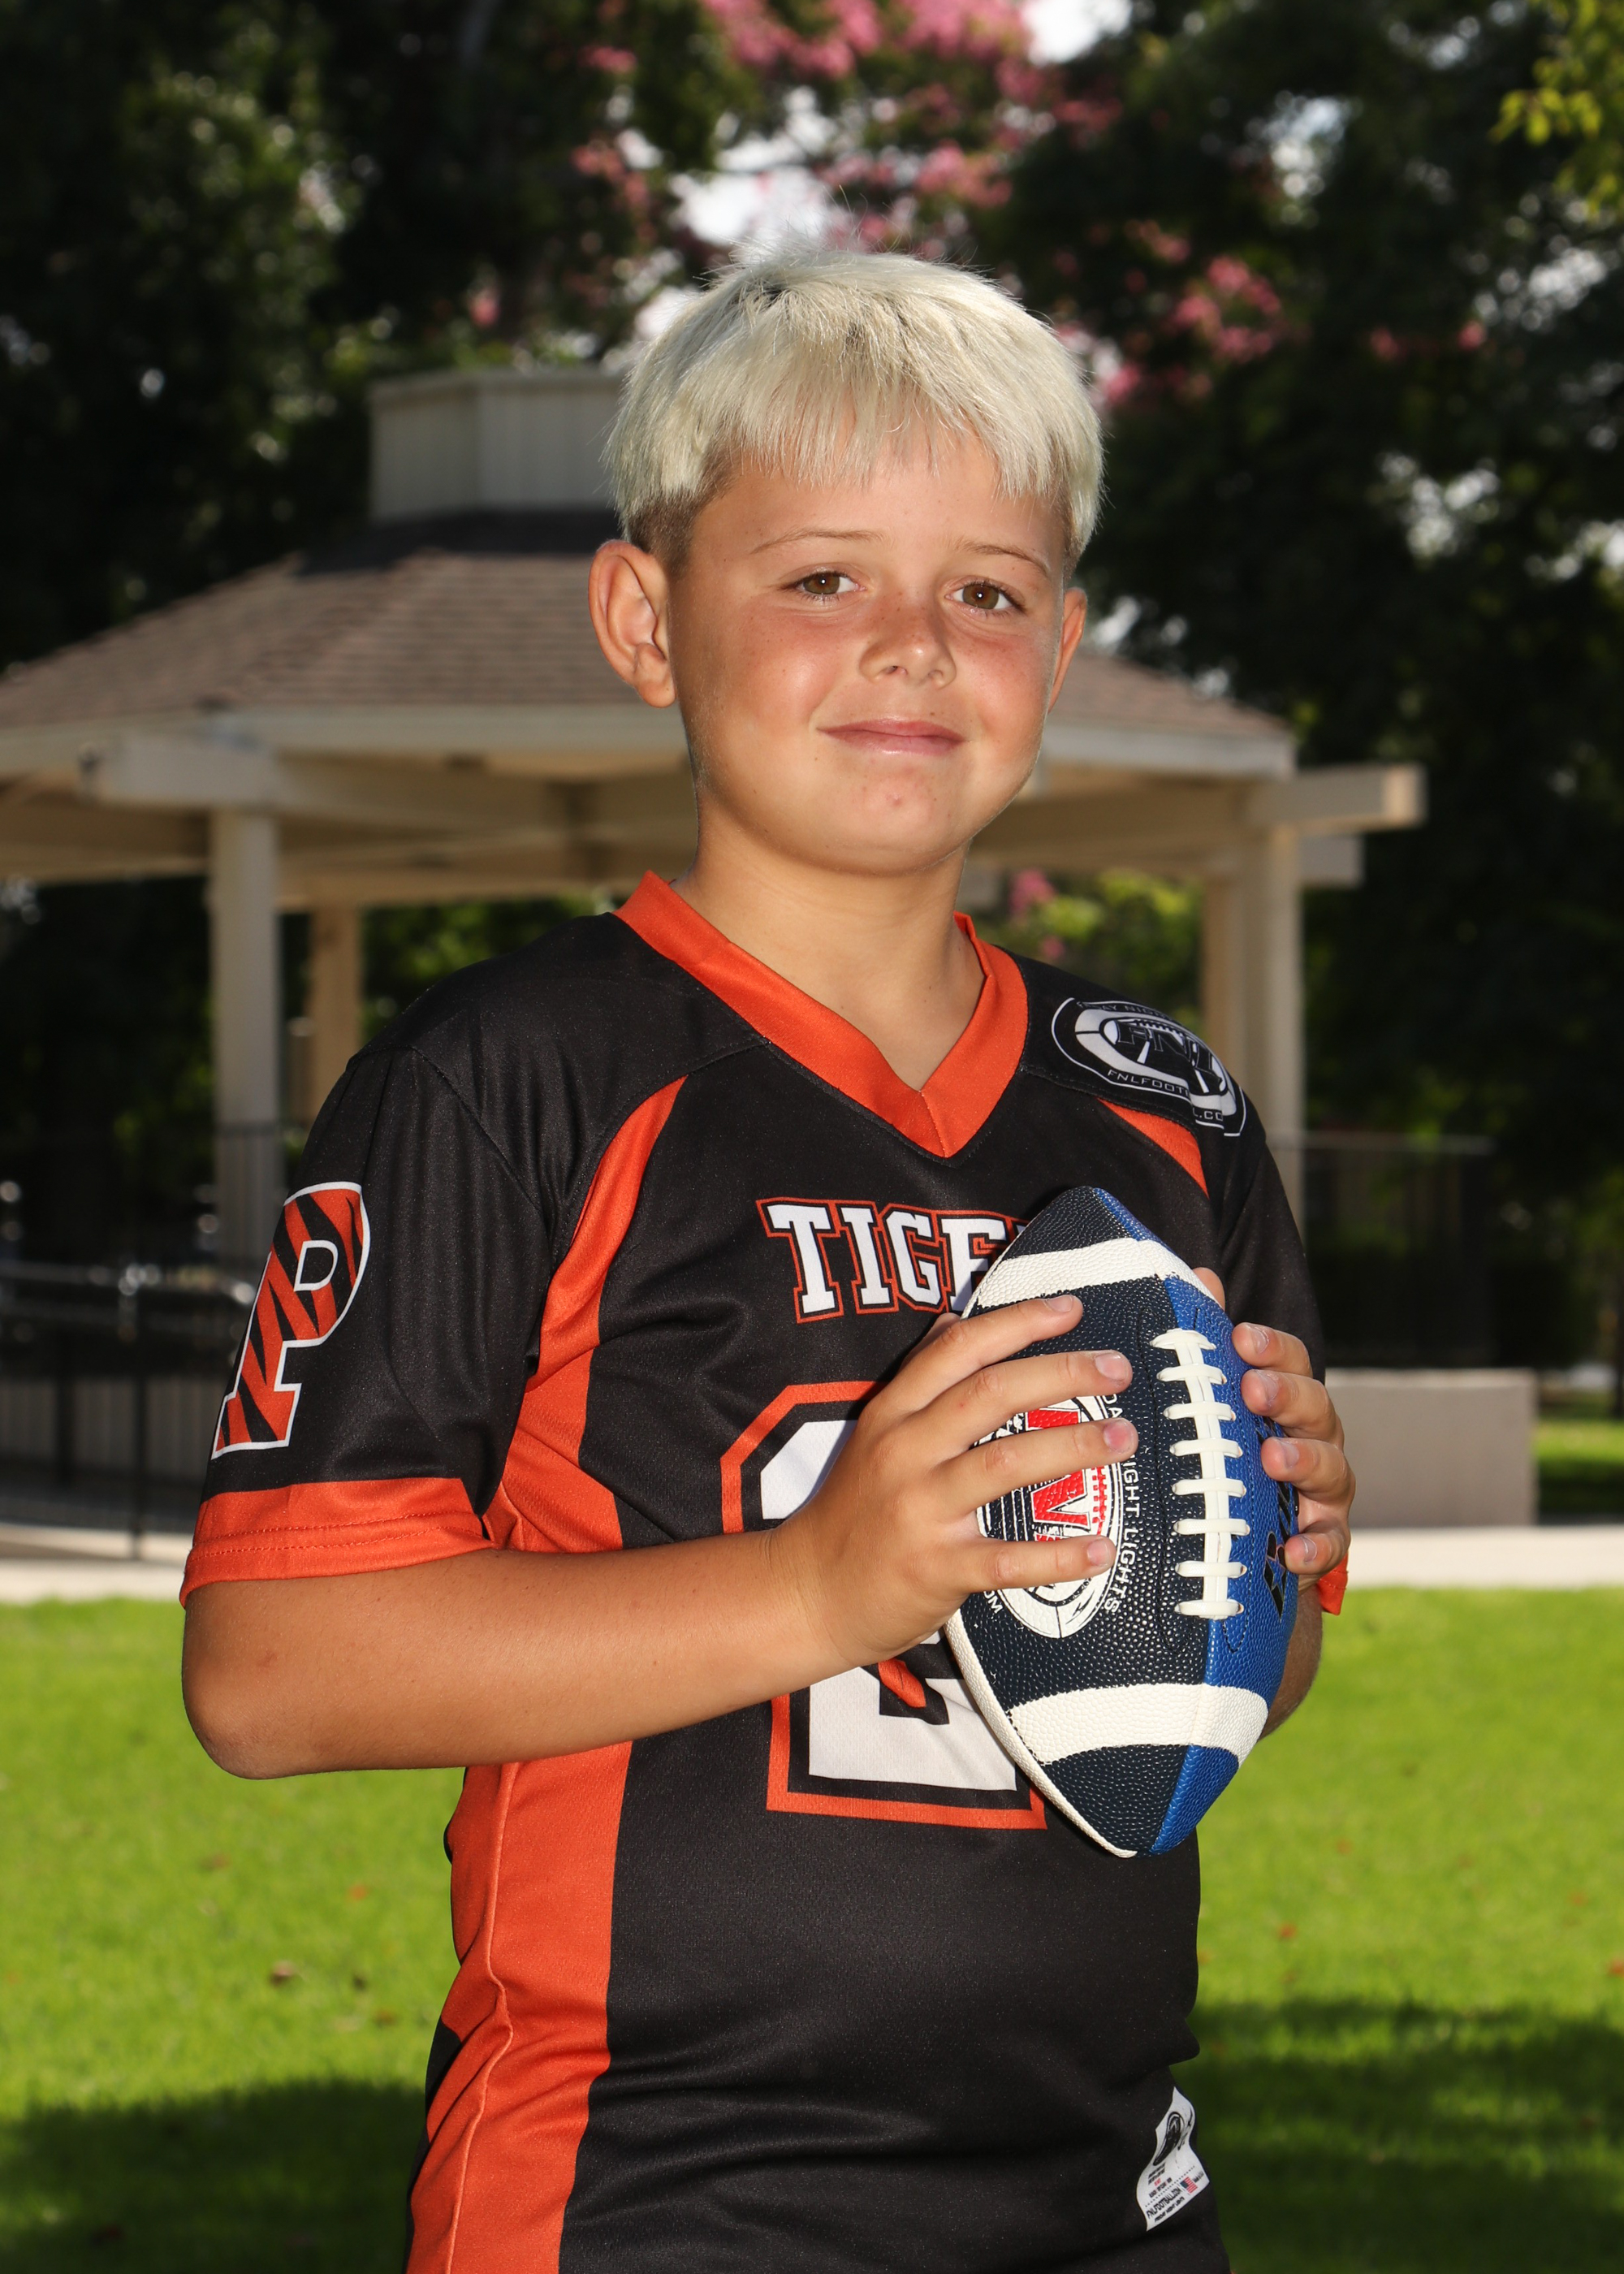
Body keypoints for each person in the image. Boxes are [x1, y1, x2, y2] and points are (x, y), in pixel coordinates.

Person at [182, 253, 1354, 2274]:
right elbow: (272, 1671)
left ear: (1062, 644)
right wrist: (825, 1582)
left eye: (986, 591)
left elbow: (1243, 1673)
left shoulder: (1162, 1111)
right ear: (646, 618)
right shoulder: (512, 1078)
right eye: (820, 576)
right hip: (655, 2187)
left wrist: (1265, 1553)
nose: (911, 643)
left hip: (1104, 2186)